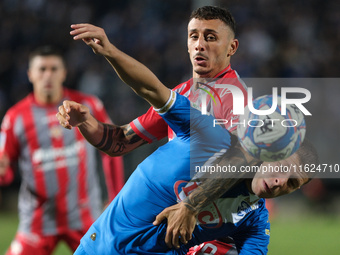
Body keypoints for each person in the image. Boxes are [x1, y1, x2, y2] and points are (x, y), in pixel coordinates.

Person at [56, 21, 317, 255]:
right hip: (101, 246)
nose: (279, 181)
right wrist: (87, 119)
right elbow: (134, 117)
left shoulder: (253, 217)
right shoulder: (205, 125)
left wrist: (193, 211)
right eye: (194, 36)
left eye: (292, 183)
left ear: (232, 47)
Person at [0, 46, 125, 255]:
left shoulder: (87, 106)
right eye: (42, 69)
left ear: (64, 72)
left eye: (53, 68)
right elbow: (6, 169)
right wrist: (3, 174)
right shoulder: (16, 118)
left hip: (84, 218)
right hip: (37, 222)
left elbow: (112, 150)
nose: (48, 75)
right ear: (30, 74)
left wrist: (115, 197)